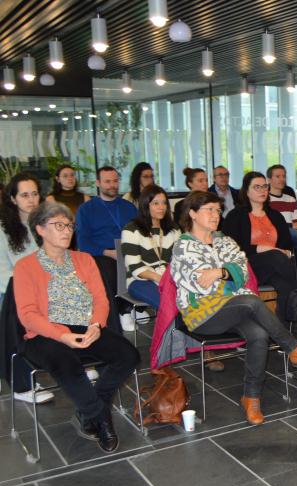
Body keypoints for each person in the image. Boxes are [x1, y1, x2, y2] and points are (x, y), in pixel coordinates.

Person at [170, 191, 297, 424]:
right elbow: (200, 285)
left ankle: (251, 397)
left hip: (235, 308)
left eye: (217, 210)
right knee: (252, 300)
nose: (216, 215)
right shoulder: (183, 246)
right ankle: (293, 348)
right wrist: (227, 274)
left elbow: (243, 273)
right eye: (209, 210)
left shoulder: (226, 240)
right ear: (192, 214)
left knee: (259, 333)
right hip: (202, 314)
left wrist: (219, 272)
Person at [15, 201, 140, 452]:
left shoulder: (83, 259)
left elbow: (101, 299)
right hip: (44, 334)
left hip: (86, 326)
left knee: (129, 355)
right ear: (40, 230)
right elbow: (28, 315)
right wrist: (62, 335)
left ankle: (91, 410)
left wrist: (96, 324)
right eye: (58, 225)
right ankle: (101, 418)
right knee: (66, 363)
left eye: (69, 225)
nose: (66, 231)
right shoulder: (25, 266)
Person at [0, 173, 55, 404]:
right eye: (24, 195)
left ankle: (77, 360)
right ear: (13, 199)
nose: (31, 200)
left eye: (34, 194)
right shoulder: (4, 228)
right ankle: (22, 384)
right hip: (10, 290)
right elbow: (4, 272)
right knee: (18, 316)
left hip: (43, 287)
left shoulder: (44, 224)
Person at [222, 172, 297, 326]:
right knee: (276, 257)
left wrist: (286, 252)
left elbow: (287, 245)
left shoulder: (275, 216)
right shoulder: (235, 215)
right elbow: (232, 248)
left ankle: (283, 329)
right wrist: (262, 248)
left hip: (277, 266)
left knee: (284, 285)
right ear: (246, 191)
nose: (262, 190)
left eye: (264, 186)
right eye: (257, 187)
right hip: (247, 266)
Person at [75, 166, 137, 332]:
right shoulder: (86, 210)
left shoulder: (129, 207)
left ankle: (136, 308)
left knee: (139, 266)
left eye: (115, 181)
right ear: (98, 183)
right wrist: (108, 252)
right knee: (110, 270)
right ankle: (122, 310)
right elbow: (83, 242)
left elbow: (139, 233)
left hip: (127, 249)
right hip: (101, 253)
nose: (112, 185)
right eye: (107, 181)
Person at [121, 185, 179, 309]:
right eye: (156, 203)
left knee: (187, 301)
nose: (161, 207)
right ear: (146, 205)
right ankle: (173, 329)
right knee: (169, 304)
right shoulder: (131, 230)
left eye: (164, 203)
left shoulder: (174, 230)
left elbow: (179, 260)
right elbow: (135, 267)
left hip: (169, 278)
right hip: (140, 280)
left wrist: (169, 279)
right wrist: (160, 279)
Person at [267, 164, 297, 247]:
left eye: (284, 176)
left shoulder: (290, 199)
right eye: (278, 176)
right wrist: (290, 225)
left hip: (293, 231)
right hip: (275, 232)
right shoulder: (265, 199)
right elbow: (269, 223)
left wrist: (296, 225)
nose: (282, 179)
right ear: (269, 180)